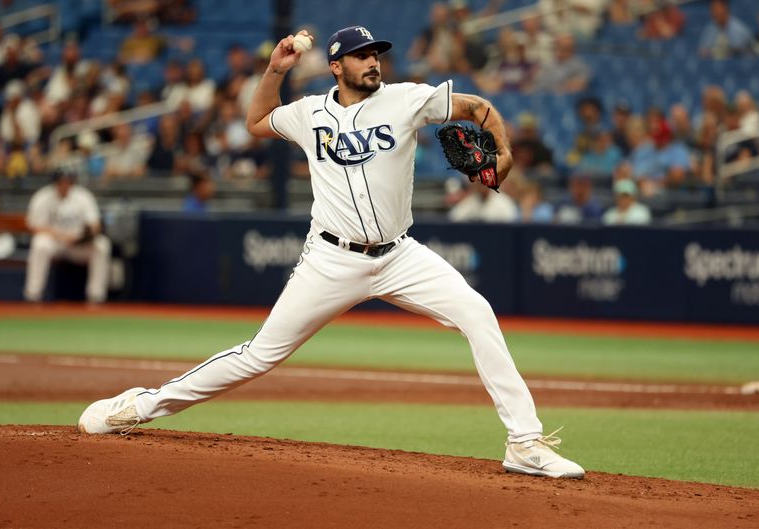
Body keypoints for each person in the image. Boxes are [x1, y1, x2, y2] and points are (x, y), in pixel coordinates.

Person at [77, 25, 585, 480]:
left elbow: (476, 107)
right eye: (362, 55)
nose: (373, 61)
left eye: (377, 54)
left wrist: (503, 149)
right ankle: (140, 405)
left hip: (398, 255)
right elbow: (257, 121)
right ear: (337, 66)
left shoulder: (405, 99)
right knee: (258, 355)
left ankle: (524, 443)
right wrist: (275, 71)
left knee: (477, 312)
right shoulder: (308, 114)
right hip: (331, 259)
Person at [23, 170, 111, 303]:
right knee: (40, 244)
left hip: (77, 244)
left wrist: (84, 236)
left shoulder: (83, 196)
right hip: (54, 242)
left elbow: (95, 224)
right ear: (55, 182)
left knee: (102, 245)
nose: (65, 185)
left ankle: (96, 296)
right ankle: (33, 295)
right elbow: (34, 227)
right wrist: (61, 235)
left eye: (68, 181)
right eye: (61, 182)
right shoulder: (43, 196)